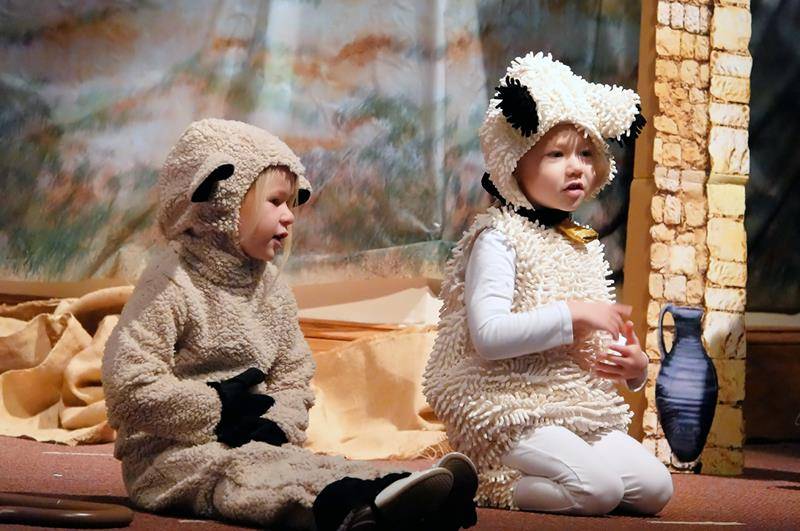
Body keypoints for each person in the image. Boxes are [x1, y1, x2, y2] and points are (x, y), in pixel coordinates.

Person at [102, 118, 478, 530]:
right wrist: (217, 407)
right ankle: (342, 511)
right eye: (275, 201)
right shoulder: (171, 280)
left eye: (290, 204)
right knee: (240, 475)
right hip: (170, 453)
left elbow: (294, 375)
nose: (289, 216)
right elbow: (128, 386)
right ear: (222, 198)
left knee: (302, 463)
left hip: (254, 440)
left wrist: (276, 425)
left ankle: (396, 489)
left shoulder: (271, 290)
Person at [423, 52, 673, 516]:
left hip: (573, 404)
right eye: (555, 154)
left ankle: (561, 465)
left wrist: (634, 368)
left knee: (656, 488)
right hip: (505, 403)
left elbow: (587, 350)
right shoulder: (499, 238)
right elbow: (489, 337)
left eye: (585, 153)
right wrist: (575, 313)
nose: (575, 167)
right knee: (598, 491)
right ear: (513, 162)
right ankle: (484, 481)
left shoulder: (578, 244)